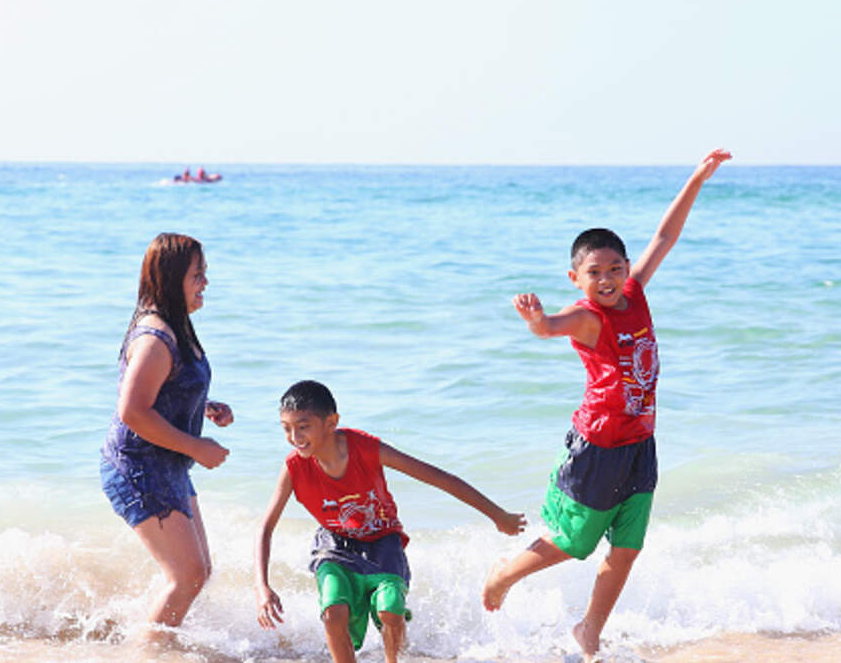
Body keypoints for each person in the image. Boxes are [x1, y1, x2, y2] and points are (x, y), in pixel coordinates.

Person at [482, 148, 732, 657]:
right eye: (595, 272)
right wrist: (536, 320)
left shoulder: (634, 293)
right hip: (597, 446)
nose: (608, 279)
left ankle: (589, 629)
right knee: (575, 544)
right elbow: (550, 328)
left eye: (615, 268)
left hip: (639, 443)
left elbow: (664, 237)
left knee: (627, 547)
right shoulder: (587, 316)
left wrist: (697, 178)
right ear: (576, 279)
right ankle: (502, 574)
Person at [256, 380, 527, 663]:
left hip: (383, 541)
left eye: (303, 426)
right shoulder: (294, 468)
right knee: (333, 613)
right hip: (334, 544)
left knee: (391, 611)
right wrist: (262, 587)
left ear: (331, 422)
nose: (294, 437)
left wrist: (497, 515)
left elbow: (439, 478)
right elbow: (265, 528)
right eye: (286, 428)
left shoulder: (365, 449)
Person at [99, 232, 233, 645]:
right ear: (173, 279)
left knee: (198, 572)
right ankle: (146, 652)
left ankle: (158, 643)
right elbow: (132, 411)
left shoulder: (178, 325)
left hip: (166, 463)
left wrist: (204, 406)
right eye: (198, 275)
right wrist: (196, 447)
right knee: (187, 575)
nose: (205, 282)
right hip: (137, 468)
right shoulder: (155, 338)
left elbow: (166, 389)